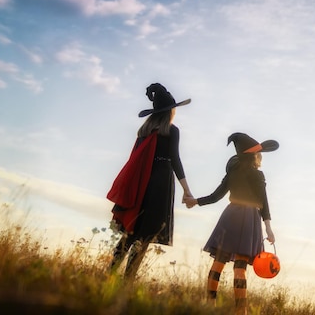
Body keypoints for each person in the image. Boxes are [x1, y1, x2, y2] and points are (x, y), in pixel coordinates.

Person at [184, 132, 278, 315]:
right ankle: (240, 311)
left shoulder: (232, 173)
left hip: (231, 216)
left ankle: (209, 304)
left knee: (218, 263)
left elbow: (215, 196)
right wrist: (268, 228)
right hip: (249, 221)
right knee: (240, 269)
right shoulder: (257, 175)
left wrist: (195, 201)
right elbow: (264, 203)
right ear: (255, 155)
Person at [107, 83, 193, 279]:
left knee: (130, 231)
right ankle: (127, 281)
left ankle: (110, 273)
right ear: (170, 111)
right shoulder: (172, 130)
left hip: (140, 184)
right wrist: (187, 190)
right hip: (160, 183)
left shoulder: (144, 131)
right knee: (144, 237)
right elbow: (175, 160)